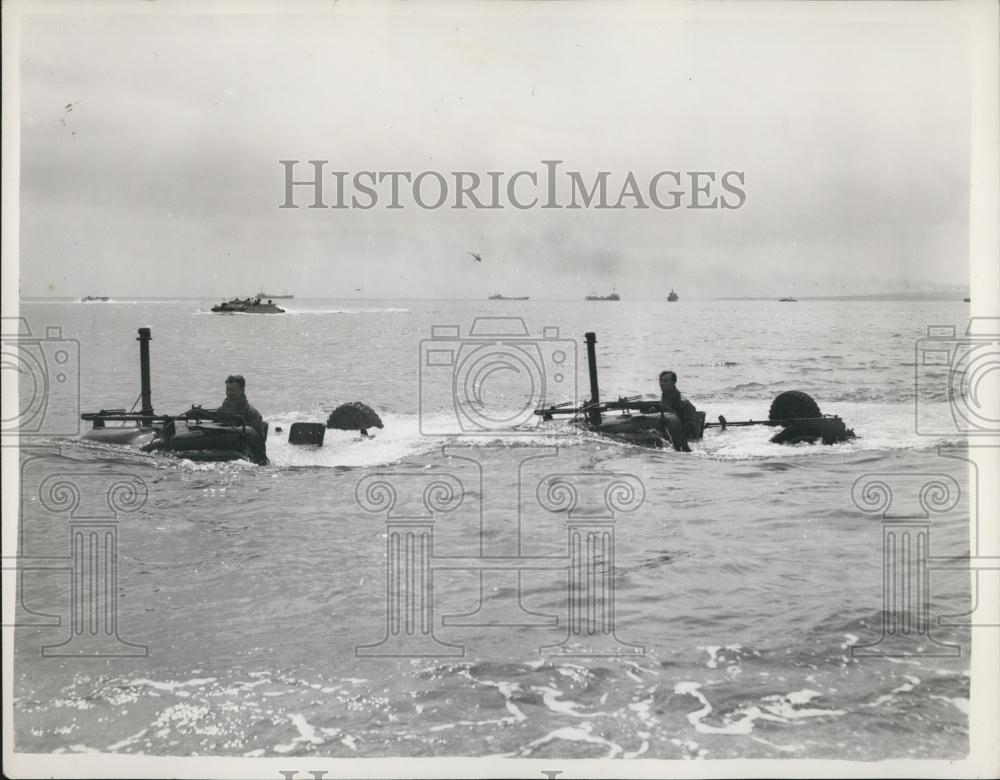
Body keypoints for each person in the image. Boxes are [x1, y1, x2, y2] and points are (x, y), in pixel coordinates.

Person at [658, 370, 700, 438]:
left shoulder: (683, 403)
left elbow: (691, 427)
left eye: (665, 381)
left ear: (673, 382)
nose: (662, 383)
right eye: (661, 381)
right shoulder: (663, 399)